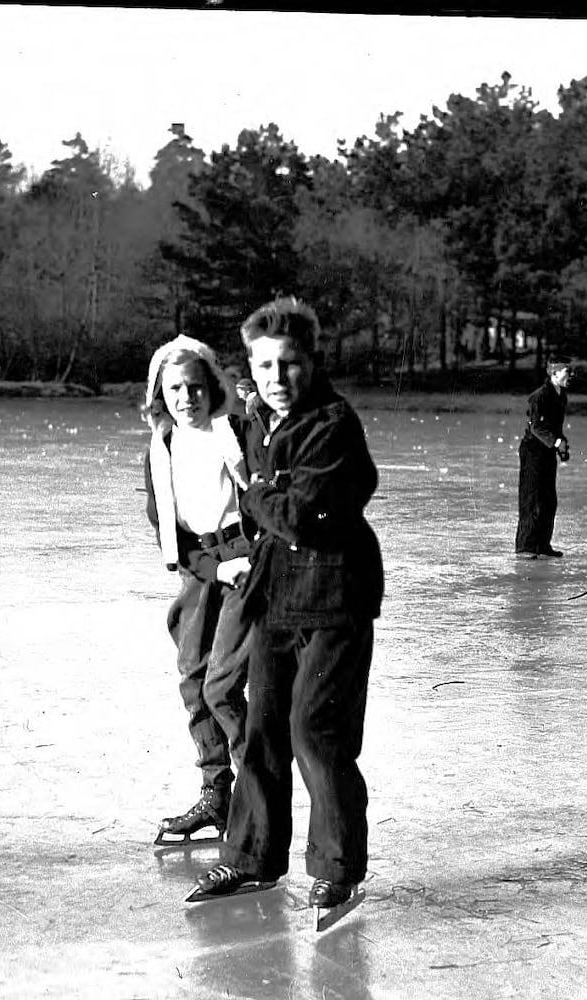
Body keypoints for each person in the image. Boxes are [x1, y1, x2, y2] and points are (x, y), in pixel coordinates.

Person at [190, 297, 384, 912]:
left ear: (312, 361)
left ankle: (339, 867)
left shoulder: (331, 422)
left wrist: (254, 492)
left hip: (335, 597)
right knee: (264, 729)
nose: (278, 379)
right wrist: (270, 489)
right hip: (278, 594)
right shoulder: (262, 419)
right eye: (265, 366)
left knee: (315, 731)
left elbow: (300, 515)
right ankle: (251, 856)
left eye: (290, 365)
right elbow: (283, 499)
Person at [142, 335, 253, 845]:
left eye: (194, 386)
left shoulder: (232, 431)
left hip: (244, 564)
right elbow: (168, 532)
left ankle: (256, 796)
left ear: (211, 386)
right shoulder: (162, 447)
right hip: (201, 570)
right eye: (173, 389)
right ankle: (217, 796)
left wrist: (242, 562)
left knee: (221, 686)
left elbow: (266, 494)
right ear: (159, 395)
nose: (186, 398)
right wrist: (210, 569)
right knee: (193, 679)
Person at [515, 360, 573, 558]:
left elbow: (555, 426)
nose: (570, 376)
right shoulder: (538, 397)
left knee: (549, 500)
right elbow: (536, 427)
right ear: (554, 374)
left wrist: (561, 444)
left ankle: (543, 545)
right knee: (531, 499)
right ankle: (525, 547)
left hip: (547, 452)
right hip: (532, 452)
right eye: (567, 372)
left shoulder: (561, 396)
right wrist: (556, 442)